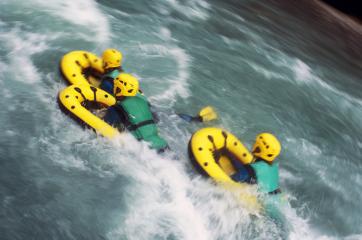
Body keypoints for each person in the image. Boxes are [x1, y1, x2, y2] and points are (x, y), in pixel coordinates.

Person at [103, 73, 169, 152]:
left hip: (146, 150)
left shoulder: (116, 108)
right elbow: (156, 119)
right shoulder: (144, 102)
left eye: (116, 87)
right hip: (163, 145)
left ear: (119, 89)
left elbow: (106, 126)